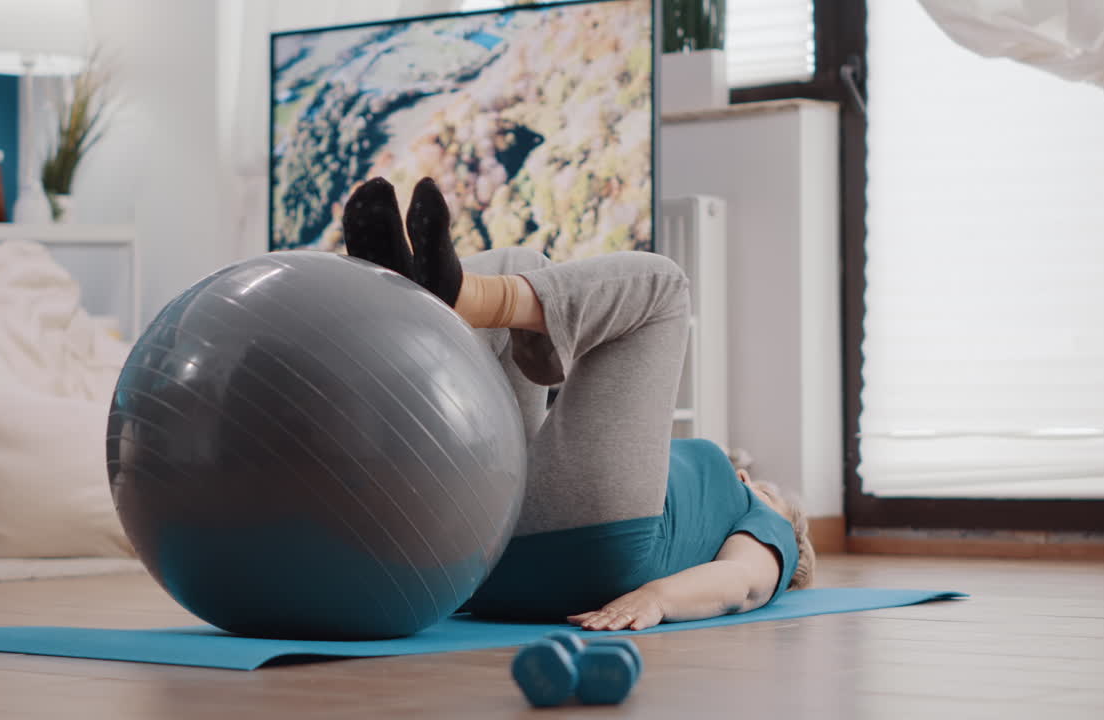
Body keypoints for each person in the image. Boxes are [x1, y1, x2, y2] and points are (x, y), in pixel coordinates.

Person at [342, 176, 816, 632]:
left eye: (766, 488)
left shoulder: (770, 524)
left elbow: (745, 583)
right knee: (522, 261)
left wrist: (657, 599)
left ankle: (456, 298)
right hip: (484, 558)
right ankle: (409, 298)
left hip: (596, 551)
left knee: (663, 284)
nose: (751, 479)